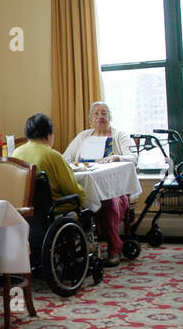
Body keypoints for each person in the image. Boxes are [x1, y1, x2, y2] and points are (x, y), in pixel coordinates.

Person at [64, 101, 138, 266]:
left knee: (109, 203)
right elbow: (66, 157)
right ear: (90, 119)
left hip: (115, 190)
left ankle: (114, 249)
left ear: (109, 117)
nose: (100, 117)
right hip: (85, 187)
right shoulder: (83, 136)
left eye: (104, 113)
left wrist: (117, 157)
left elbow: (134, 157)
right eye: (96, 114)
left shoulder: (119, 136)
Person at [12, 113, 79, 206]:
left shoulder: (16, 153)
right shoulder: (53, 156)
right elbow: (71, 189)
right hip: (54, 209)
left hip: (26, 210)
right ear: (49, 134)